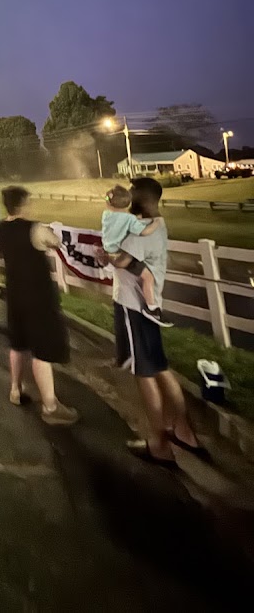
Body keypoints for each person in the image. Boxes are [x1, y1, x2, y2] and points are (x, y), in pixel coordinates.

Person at [106, 176, 207, 467]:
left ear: (142, 197)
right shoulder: (158, 225)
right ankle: (184, 431)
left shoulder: (139, 232)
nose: (128, 194)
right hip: (150, 308)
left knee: (145, 374)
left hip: (133, 306)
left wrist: (107, 254)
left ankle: (160, 444)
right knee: (161, 368)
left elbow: (122, 260)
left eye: (133, 191)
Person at [0, 186, 78, 424]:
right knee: (41, 351)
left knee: (17, 345)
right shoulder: (35, 229)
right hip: (38, 297)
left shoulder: (1, 228)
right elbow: (56, 242)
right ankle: (51, 407)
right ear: (22, 204)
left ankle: (15, 389)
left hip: (15, 294)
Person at [101, 185, 172, 327]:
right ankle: (152, 308)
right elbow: (144, 232)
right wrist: (155, 223)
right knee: (148, 277)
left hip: (128, 301)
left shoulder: (106, 215)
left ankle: (151, 308)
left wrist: (109, 259)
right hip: (132, 302)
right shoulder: (131, 221)